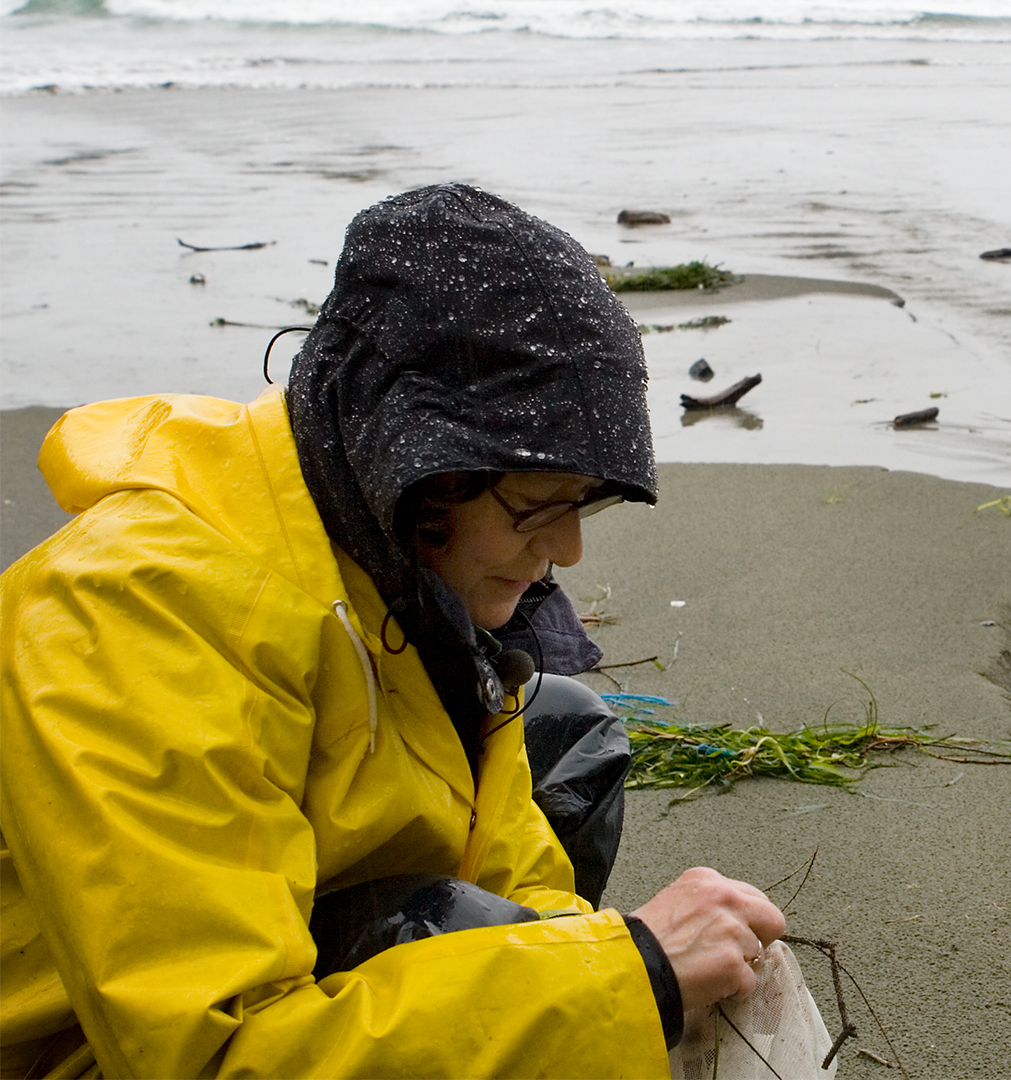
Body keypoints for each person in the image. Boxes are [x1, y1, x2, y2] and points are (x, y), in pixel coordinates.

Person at [0, 184, 783, 1079]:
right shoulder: (134, 612)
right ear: (416, 462)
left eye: (584, 504)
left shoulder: (380, 536)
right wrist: (635, 976)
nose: (565, 546)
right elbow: (213, 1054)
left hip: (299, 901)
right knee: (449, 919)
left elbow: (504, 848)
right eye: (535, 505)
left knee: (567, 727)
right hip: (83, 1047)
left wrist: (577, 958)